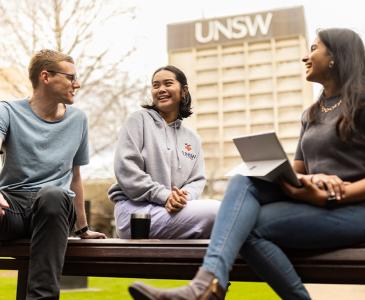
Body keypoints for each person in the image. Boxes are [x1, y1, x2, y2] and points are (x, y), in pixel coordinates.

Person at [128, 28, 365, 300]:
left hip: (355, 209)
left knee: (244, 226)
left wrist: (341, 192)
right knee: (243, 180)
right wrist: (308, 183)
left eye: (313, 48)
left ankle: (206, 288)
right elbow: (299, 172)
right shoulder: (311, 113)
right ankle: (206, 285)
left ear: (336, 57)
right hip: (316, 201)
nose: (305, 57)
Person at [0, 49, 106, 299]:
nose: (76, 83)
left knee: (54, 194)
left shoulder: (78, 120)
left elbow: (76, 177)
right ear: (45, 77)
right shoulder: (7, 111)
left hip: (54, 208)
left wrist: (82, 229)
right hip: (12, 207)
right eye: (71, 77)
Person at [108, 65, 220, 239]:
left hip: (176, 211)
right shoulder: (138, 120)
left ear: (184, 91)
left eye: (168, 83)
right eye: (156, 85)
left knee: (227, 220)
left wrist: (180, 199)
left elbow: (196, 181)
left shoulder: (193, 139)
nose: (161, 89)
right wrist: (164, 196)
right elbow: (126, 169)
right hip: (135, 212)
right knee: (218, 212)